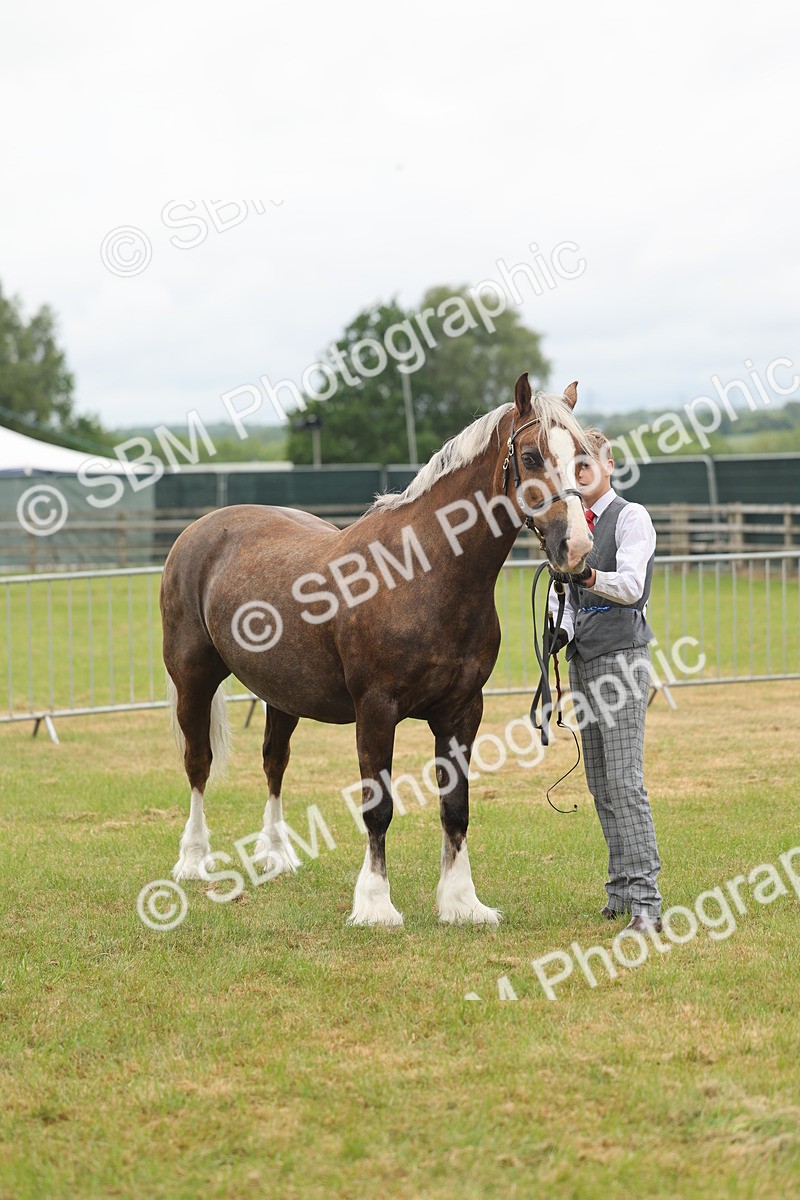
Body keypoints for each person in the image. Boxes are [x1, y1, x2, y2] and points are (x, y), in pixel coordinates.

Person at [549, 429, 662, 934]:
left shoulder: (631, 518)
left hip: (623, 661)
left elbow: (632, 587)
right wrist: (560, 628)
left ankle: (646, 901)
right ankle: (619, 890)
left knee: (624, 781)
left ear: (608, 466)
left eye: (586, 465)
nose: (579, 476)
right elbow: (564, 598)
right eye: (572, 468)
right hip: (584, 662)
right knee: (599, 783)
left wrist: (589, 578)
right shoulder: (572, 526)